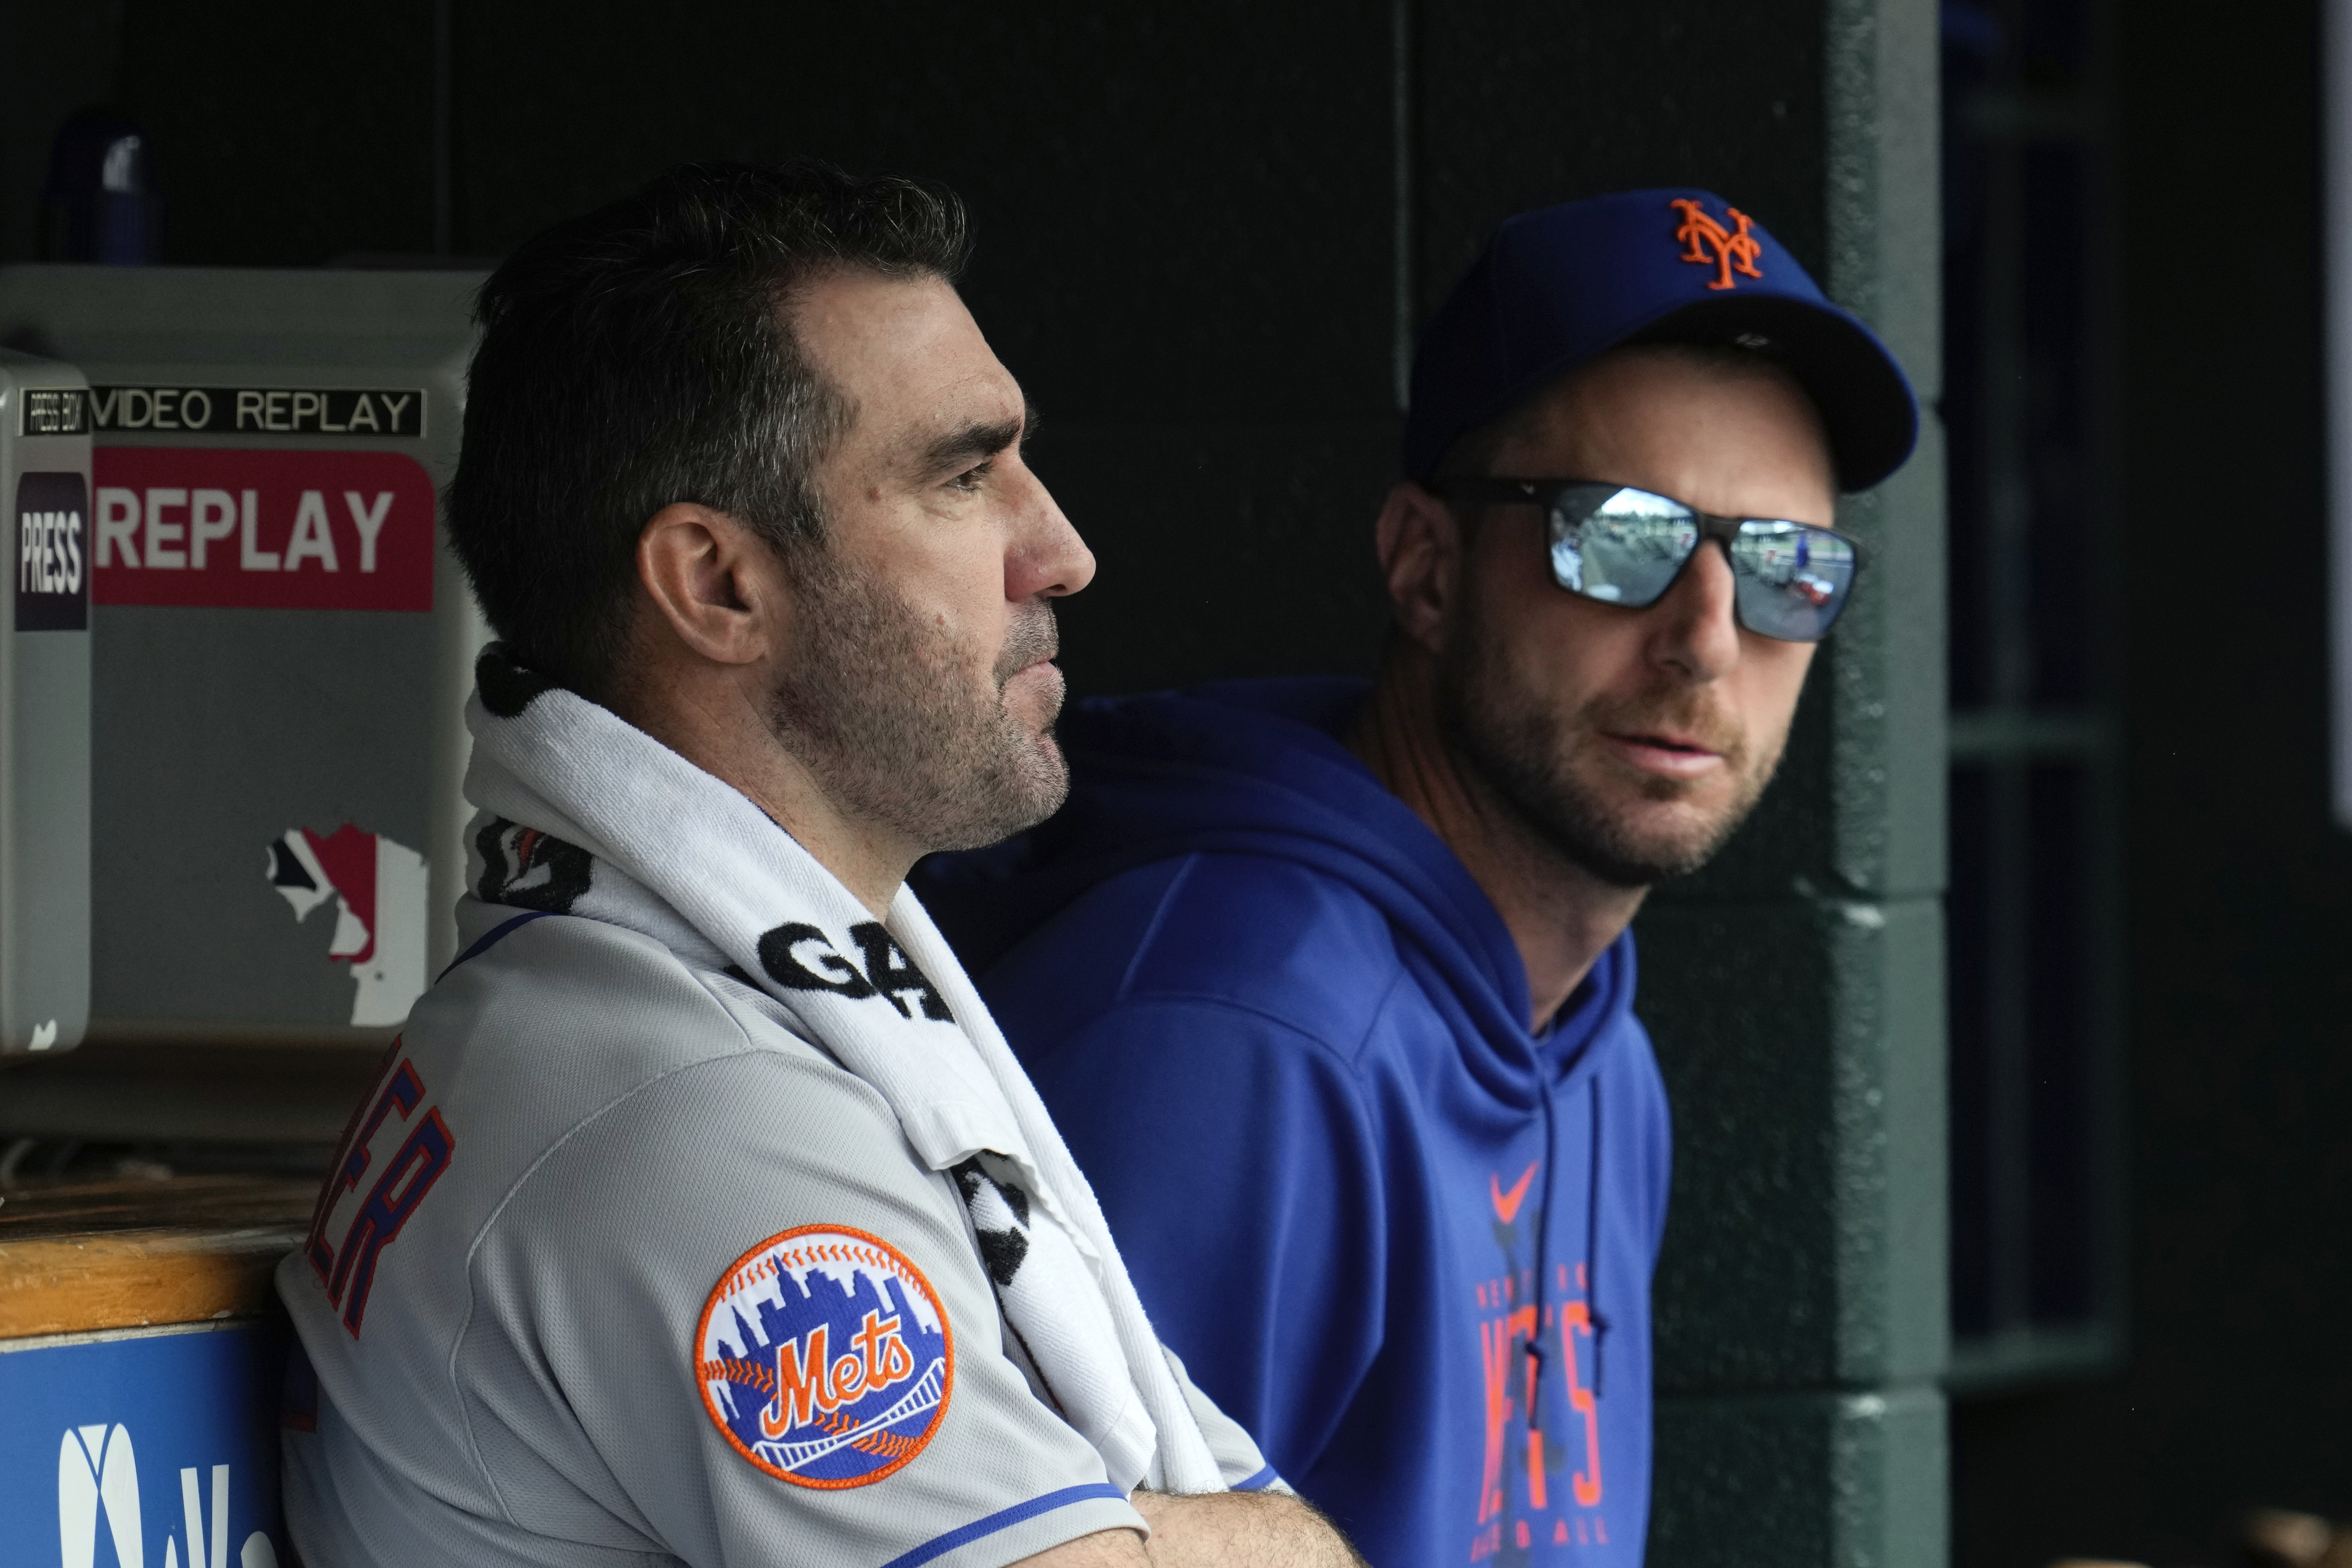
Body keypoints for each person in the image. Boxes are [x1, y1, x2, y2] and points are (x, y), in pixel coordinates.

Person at [275, 161, 1361, 1568]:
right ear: (720, 584)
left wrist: (1142, 1530)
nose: (1063, 553)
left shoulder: (648, 1010)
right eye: (965, 478)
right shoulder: (697, 1116)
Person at [914, 189, 1920, 1566]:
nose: (1707, 639)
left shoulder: (1592, 1040)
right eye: (1620, 534)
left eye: (1785, 567)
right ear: (1427, 567)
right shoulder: (1233, 1038)